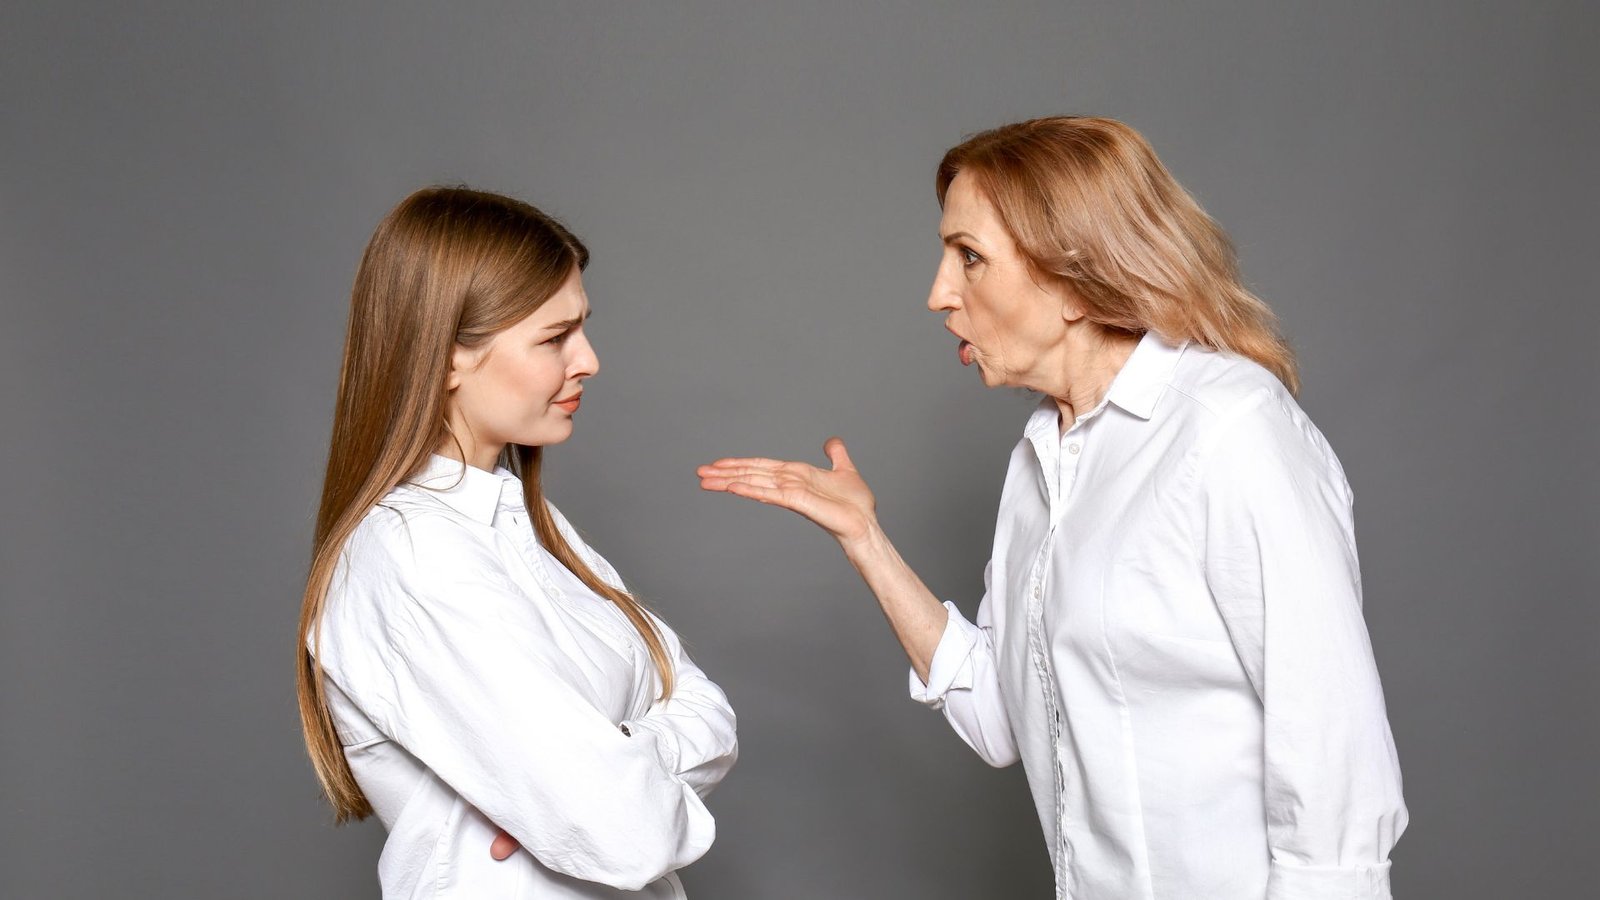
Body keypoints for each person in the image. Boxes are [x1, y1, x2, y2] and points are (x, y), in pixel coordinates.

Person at [699, 117, 1405, 899]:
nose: (938, 293)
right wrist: (865, 538)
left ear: (1072, 279)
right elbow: (1001, 721)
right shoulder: (1042, 457)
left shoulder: (1231, 428)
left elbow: (1337, 765)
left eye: (969, 257)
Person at [297, 187, 737, 898]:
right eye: (554, 337)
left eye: (582, 329)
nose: (588, 360)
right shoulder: (407, 557)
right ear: (445, 358)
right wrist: (612, 779)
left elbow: (708, 708)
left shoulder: (541, 528)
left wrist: (620, 758)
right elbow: (623, 828)